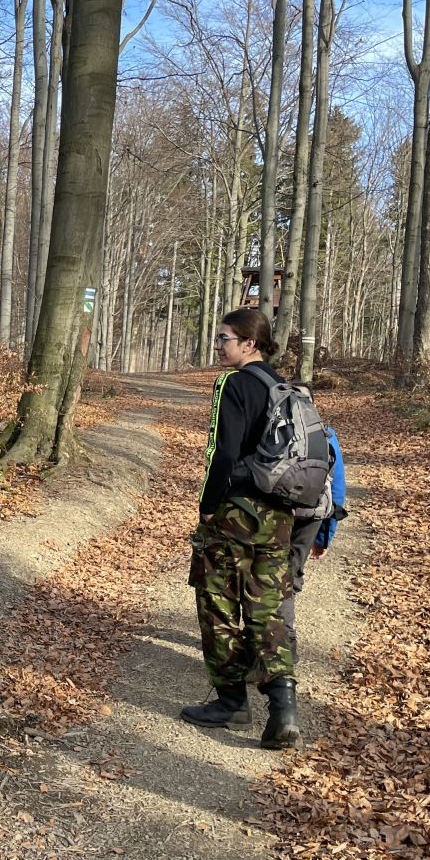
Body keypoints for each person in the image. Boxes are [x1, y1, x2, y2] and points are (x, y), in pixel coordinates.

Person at [179, 309, 301, 749]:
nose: (218, 345)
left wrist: (208, 507)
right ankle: (284, 711)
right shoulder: (284, 387)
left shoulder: (233, 384)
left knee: (218, 604)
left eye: (224, 338)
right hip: (278, 514)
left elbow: (223, 453)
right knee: (268, 609)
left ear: (249, 343)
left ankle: (231, 703)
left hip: (235, 513)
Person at [280, 420, 347, 657]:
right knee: (290, 573)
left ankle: (267, 643)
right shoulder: (326, 434)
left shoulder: (273, 428)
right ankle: (286, 644)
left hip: (276, 511)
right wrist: (324, 538)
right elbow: (336, 489)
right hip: (313, 514)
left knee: (266, 574)